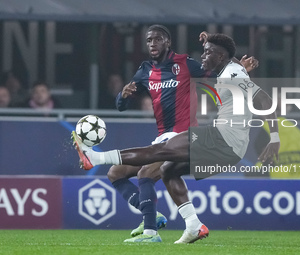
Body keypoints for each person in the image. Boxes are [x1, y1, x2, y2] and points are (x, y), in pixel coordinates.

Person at [72, 32, 279, 243]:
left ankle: (96, 158)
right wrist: (232, 58)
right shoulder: (230, 69)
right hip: (230, 150)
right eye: (204, 50)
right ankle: (194, 226)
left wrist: (274, 138)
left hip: (222, 138)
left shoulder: (233, 75)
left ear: (220, 56)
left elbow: (264, 99)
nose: (203, 56)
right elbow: (229, 58)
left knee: (158, 153)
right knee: (167, 170)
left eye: (208, 52)